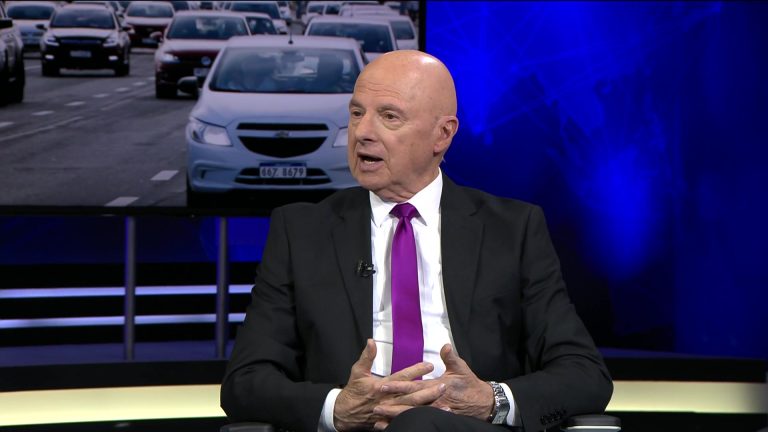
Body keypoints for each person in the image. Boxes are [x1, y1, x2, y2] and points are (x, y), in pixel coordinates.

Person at [221, 50, 613, 432]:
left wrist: (490, 400)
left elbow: (584, 374)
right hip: (356, 430)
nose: (363, 132)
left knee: (418, 423)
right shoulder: (301, 231)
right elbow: (245, 382)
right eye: (356, 113)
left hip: (463, 428)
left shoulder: (512, 229)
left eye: (389, 116)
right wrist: (337, 407)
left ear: (442, 134)